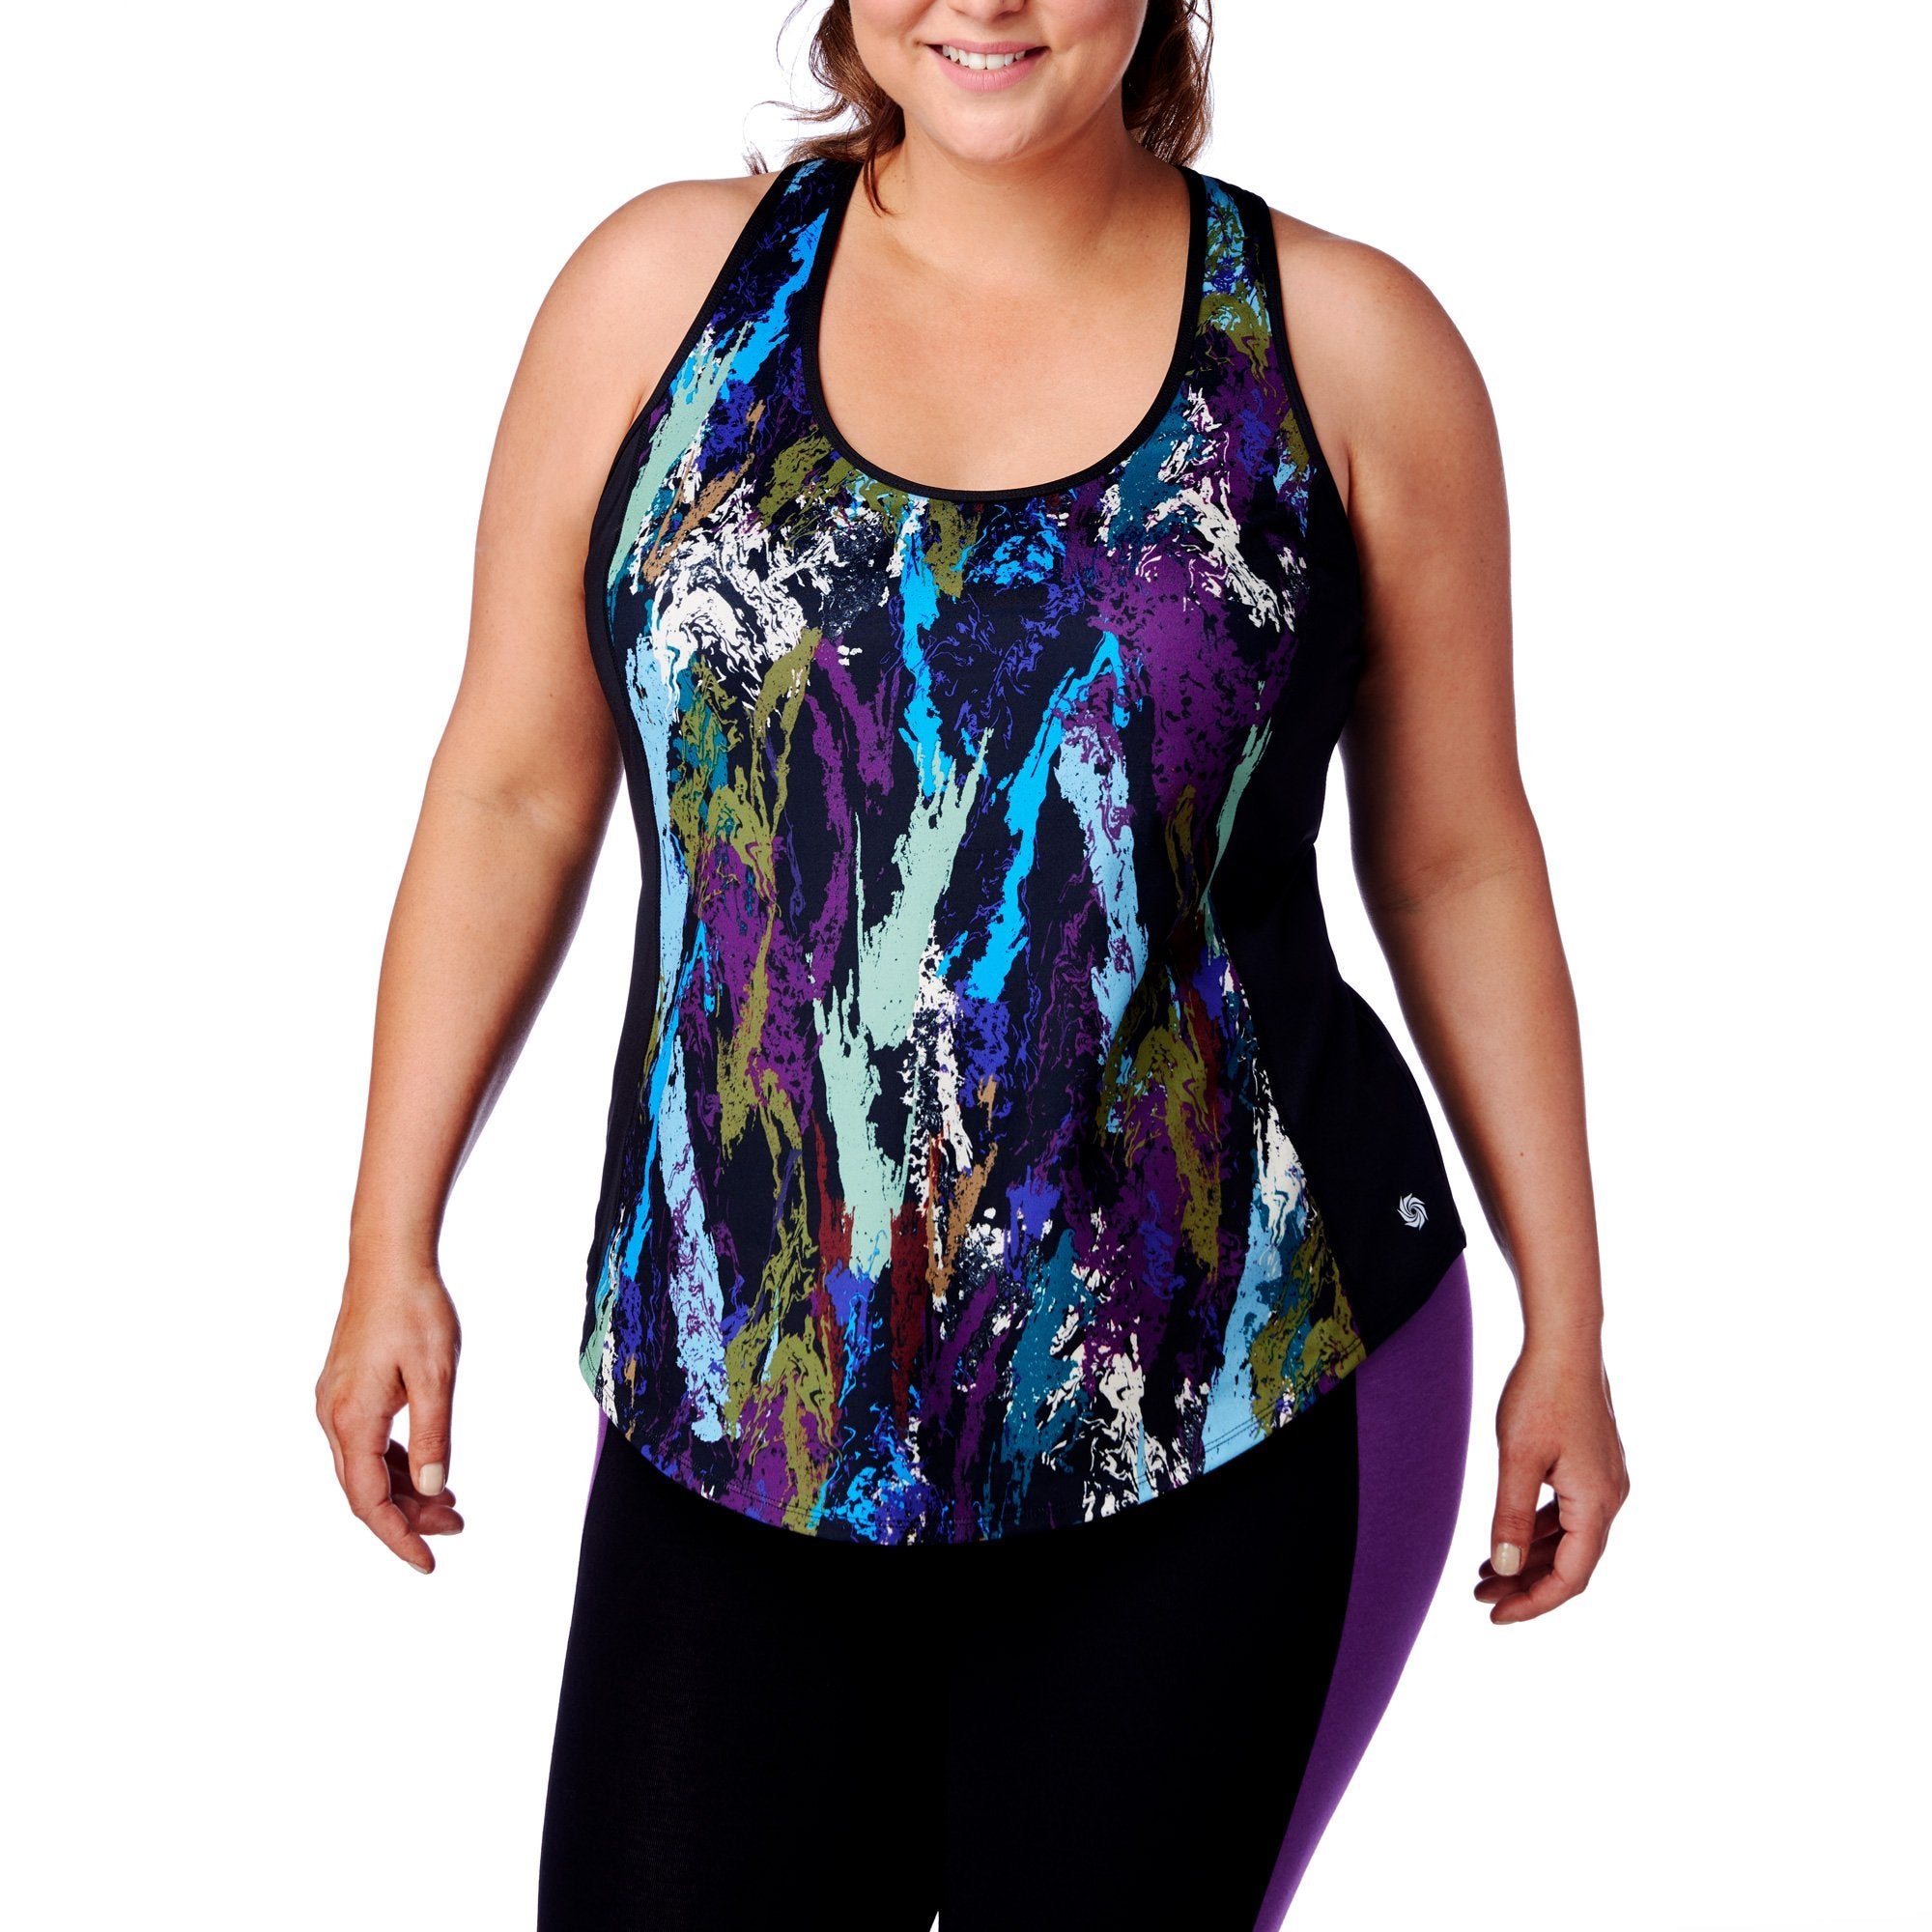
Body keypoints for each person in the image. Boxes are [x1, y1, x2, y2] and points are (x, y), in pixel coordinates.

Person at [313, 1, 1631, 1924]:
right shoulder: (660, 304)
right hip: (744, 1403)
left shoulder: (1341, 349)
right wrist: (389, 1241)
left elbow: (1452, 859)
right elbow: (513, 787)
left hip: (1225, 1389)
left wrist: (1566, 1323)